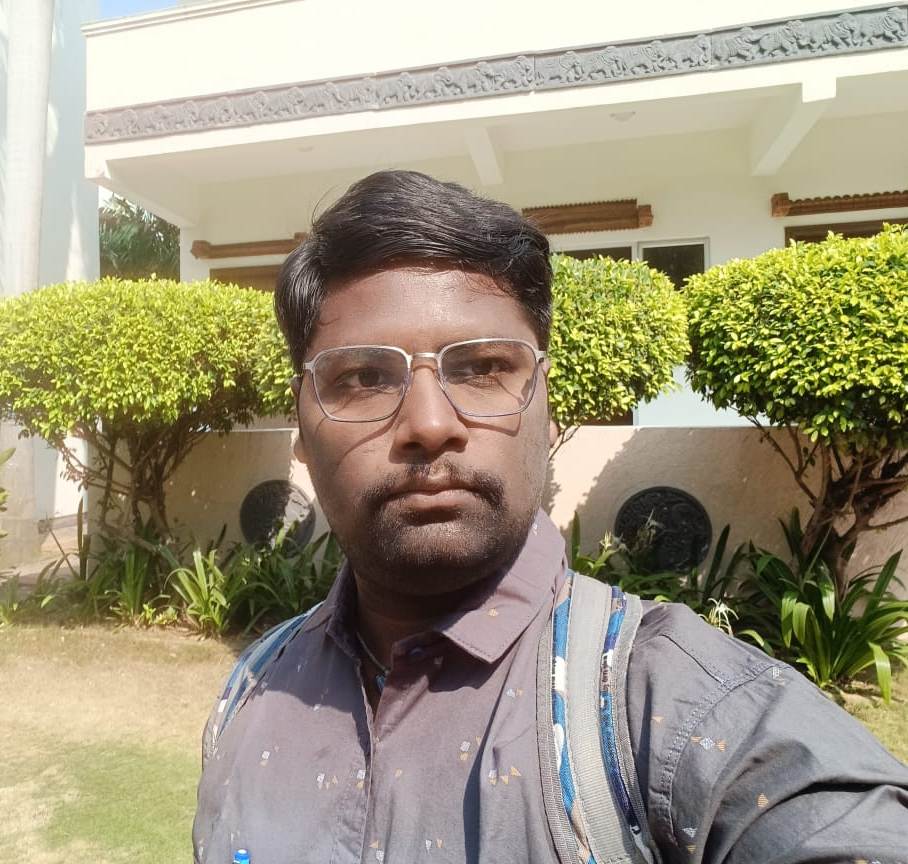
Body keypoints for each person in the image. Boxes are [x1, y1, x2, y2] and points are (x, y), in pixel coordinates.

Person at [193, 170, 908, 864]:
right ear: (300, 428)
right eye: (363, 377)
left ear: (547, 406)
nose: (430, 424)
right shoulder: (251, 691)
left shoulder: (676, 710)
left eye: (482, 368)